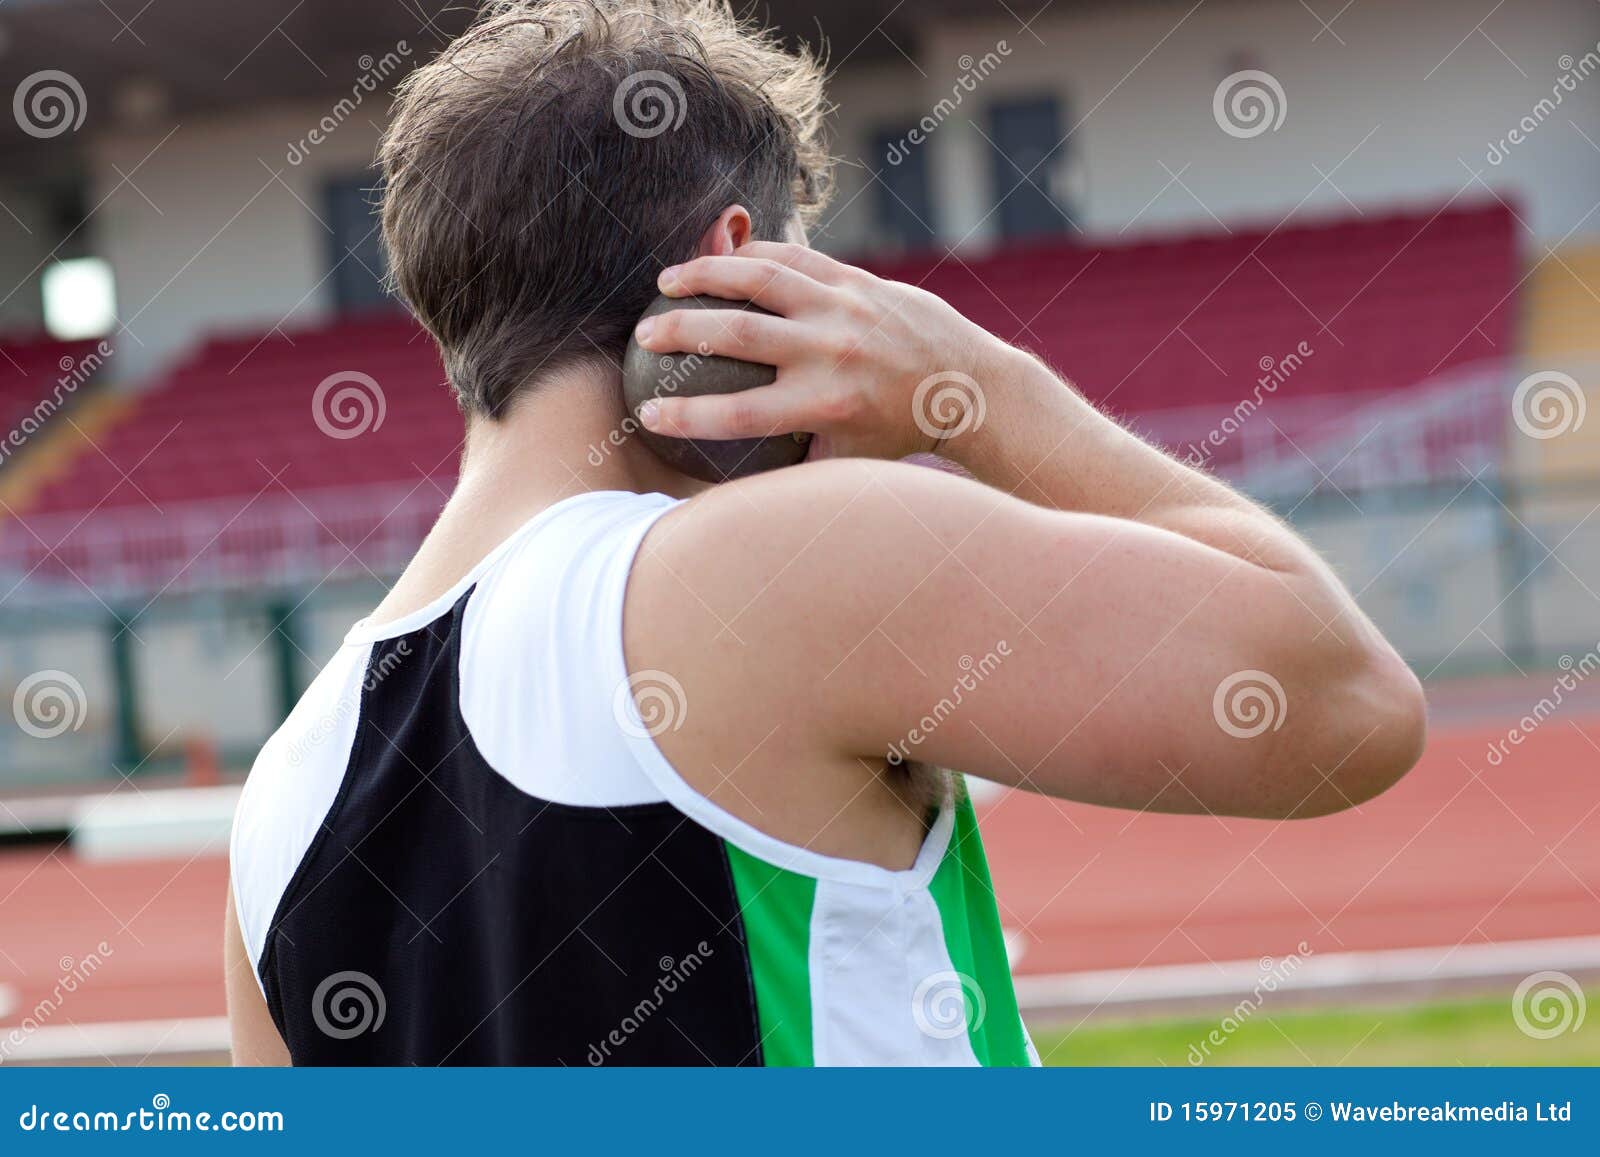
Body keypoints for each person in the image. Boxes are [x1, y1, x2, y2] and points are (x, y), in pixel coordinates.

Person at [225, 0, 1426, 1066]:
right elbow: (1349, 708)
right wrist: (977, 380)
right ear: (735, 268)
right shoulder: (776, 565)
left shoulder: (279, 801)